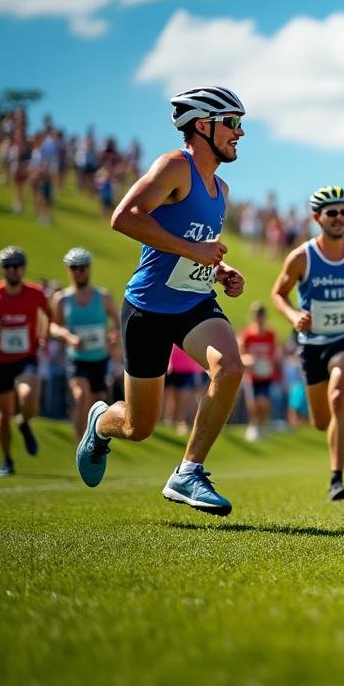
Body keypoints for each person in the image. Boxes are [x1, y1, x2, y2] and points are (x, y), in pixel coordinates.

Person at [75, 86, 249, 515]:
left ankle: (189, 471)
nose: (239, 133)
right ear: (203, 126)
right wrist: (195, 252)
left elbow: (195, 245)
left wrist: (218, 270)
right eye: (232, 123)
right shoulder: (174, 167)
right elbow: (124, 218)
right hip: (148, 308)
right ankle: (100, 422)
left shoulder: (221, 188)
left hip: (192, 303)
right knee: (138, 427)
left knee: (230, 366)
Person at [271, 185, 344, 500]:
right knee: (321, 420)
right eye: (332, 213)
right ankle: (330, 441)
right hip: (311, 344)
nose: (339, 218)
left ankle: (336, 478)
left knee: (340, 398)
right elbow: (277, 294)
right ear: (317, 218)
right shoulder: (301, 257)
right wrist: (293, 316)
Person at [0, 246, 56, 476]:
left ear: (23, 268)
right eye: (8, 267)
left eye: (17, 266)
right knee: (2, 416)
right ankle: (7, 460)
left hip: (26, 356)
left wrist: (44, 336)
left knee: (28, 396)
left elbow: (49, 315)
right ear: (2, 270)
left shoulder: (35, 293)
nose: (13, 270)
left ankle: (25, 422)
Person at [52, 247, 121, 442]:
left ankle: (92, 442)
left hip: (100, 358)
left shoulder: (103, 297)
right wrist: (68, 337)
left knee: (96, 404)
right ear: (69, 270)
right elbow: (53, 327)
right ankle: (80, 444)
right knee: (80, 396)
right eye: (74, 268)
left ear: (89, 269)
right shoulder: (62, 299)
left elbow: (118, 322)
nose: (78, 272)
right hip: (77, 359)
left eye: (82, 267)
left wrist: (114, 336)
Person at [238, 302, 280, 442]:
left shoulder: (270, 335)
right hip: (252, 375)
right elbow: (241, 355)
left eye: (261, 315)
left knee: (265, 402)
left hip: (266, 374)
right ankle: (254, 426)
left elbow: (275, 354)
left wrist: (269, 364)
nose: (259, 318)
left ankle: (263, 425)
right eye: (257, 315)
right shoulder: (247, 335)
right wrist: (248, 360)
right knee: (253, 403)